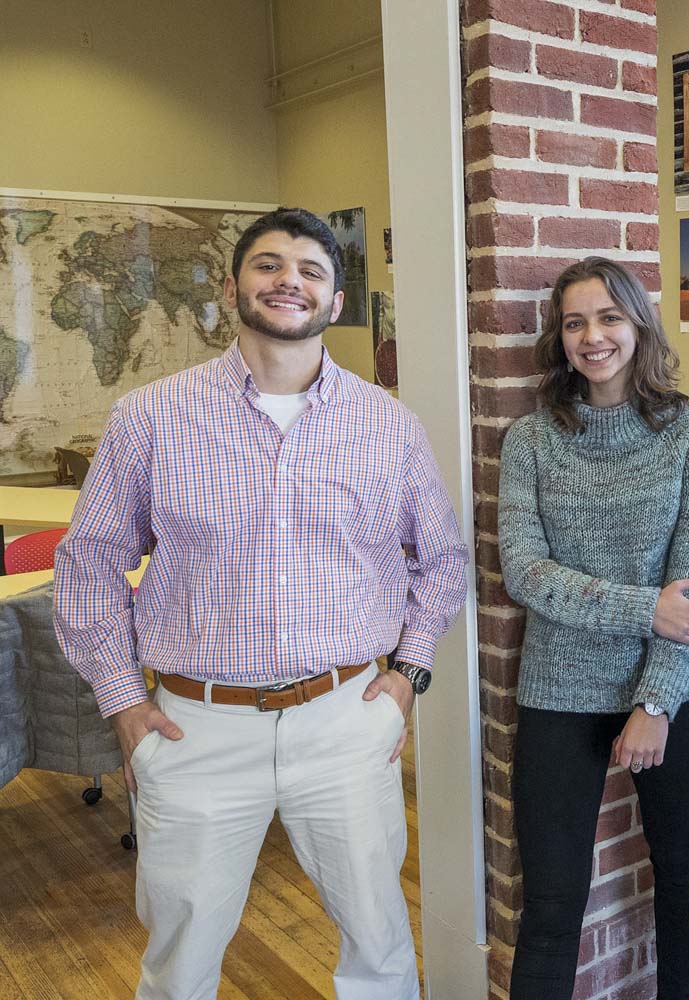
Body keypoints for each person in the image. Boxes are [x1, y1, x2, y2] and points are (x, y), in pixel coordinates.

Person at [53, 207, 469, 1000]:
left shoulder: (388, 425)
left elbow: (442, 562)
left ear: (335, 302)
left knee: (379, 940)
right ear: (230, 286)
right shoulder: (150, 416)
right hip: (194, 726)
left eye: (312, 270)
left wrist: (407, 676)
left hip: (347, 720)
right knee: (180, 957)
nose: (290, 281)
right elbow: (93, 563)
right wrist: (122, 706)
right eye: (269, 264)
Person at [499, 257, 689, 1000]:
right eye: (574, 323)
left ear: (639, 325)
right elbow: (524, 573)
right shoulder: (530, 441)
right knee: (554, 898)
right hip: (560, 685)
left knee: (681, 865)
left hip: (678, 683)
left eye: (608, 317)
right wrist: (641, 605)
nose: (592, 336)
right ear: (558, 339)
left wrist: (656, 701)